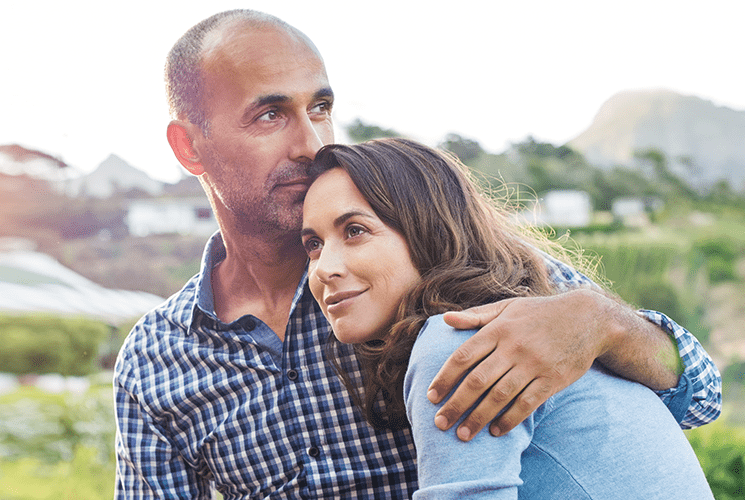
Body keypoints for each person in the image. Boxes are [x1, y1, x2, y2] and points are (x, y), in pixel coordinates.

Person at [113, 9, 720, 498]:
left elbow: (699, 396)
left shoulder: (444, 276)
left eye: (320, 108)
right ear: (189, 148)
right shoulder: (155, 360)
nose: (311, 142)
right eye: (270, 114)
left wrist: (601, 322)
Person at [301, 138, 713, 498]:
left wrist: (607, 320)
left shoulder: (458, 339)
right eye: (314, 244)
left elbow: (704, 400)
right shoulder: (516, 311)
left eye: (355, 231)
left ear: (429, 232)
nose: (323, 269)